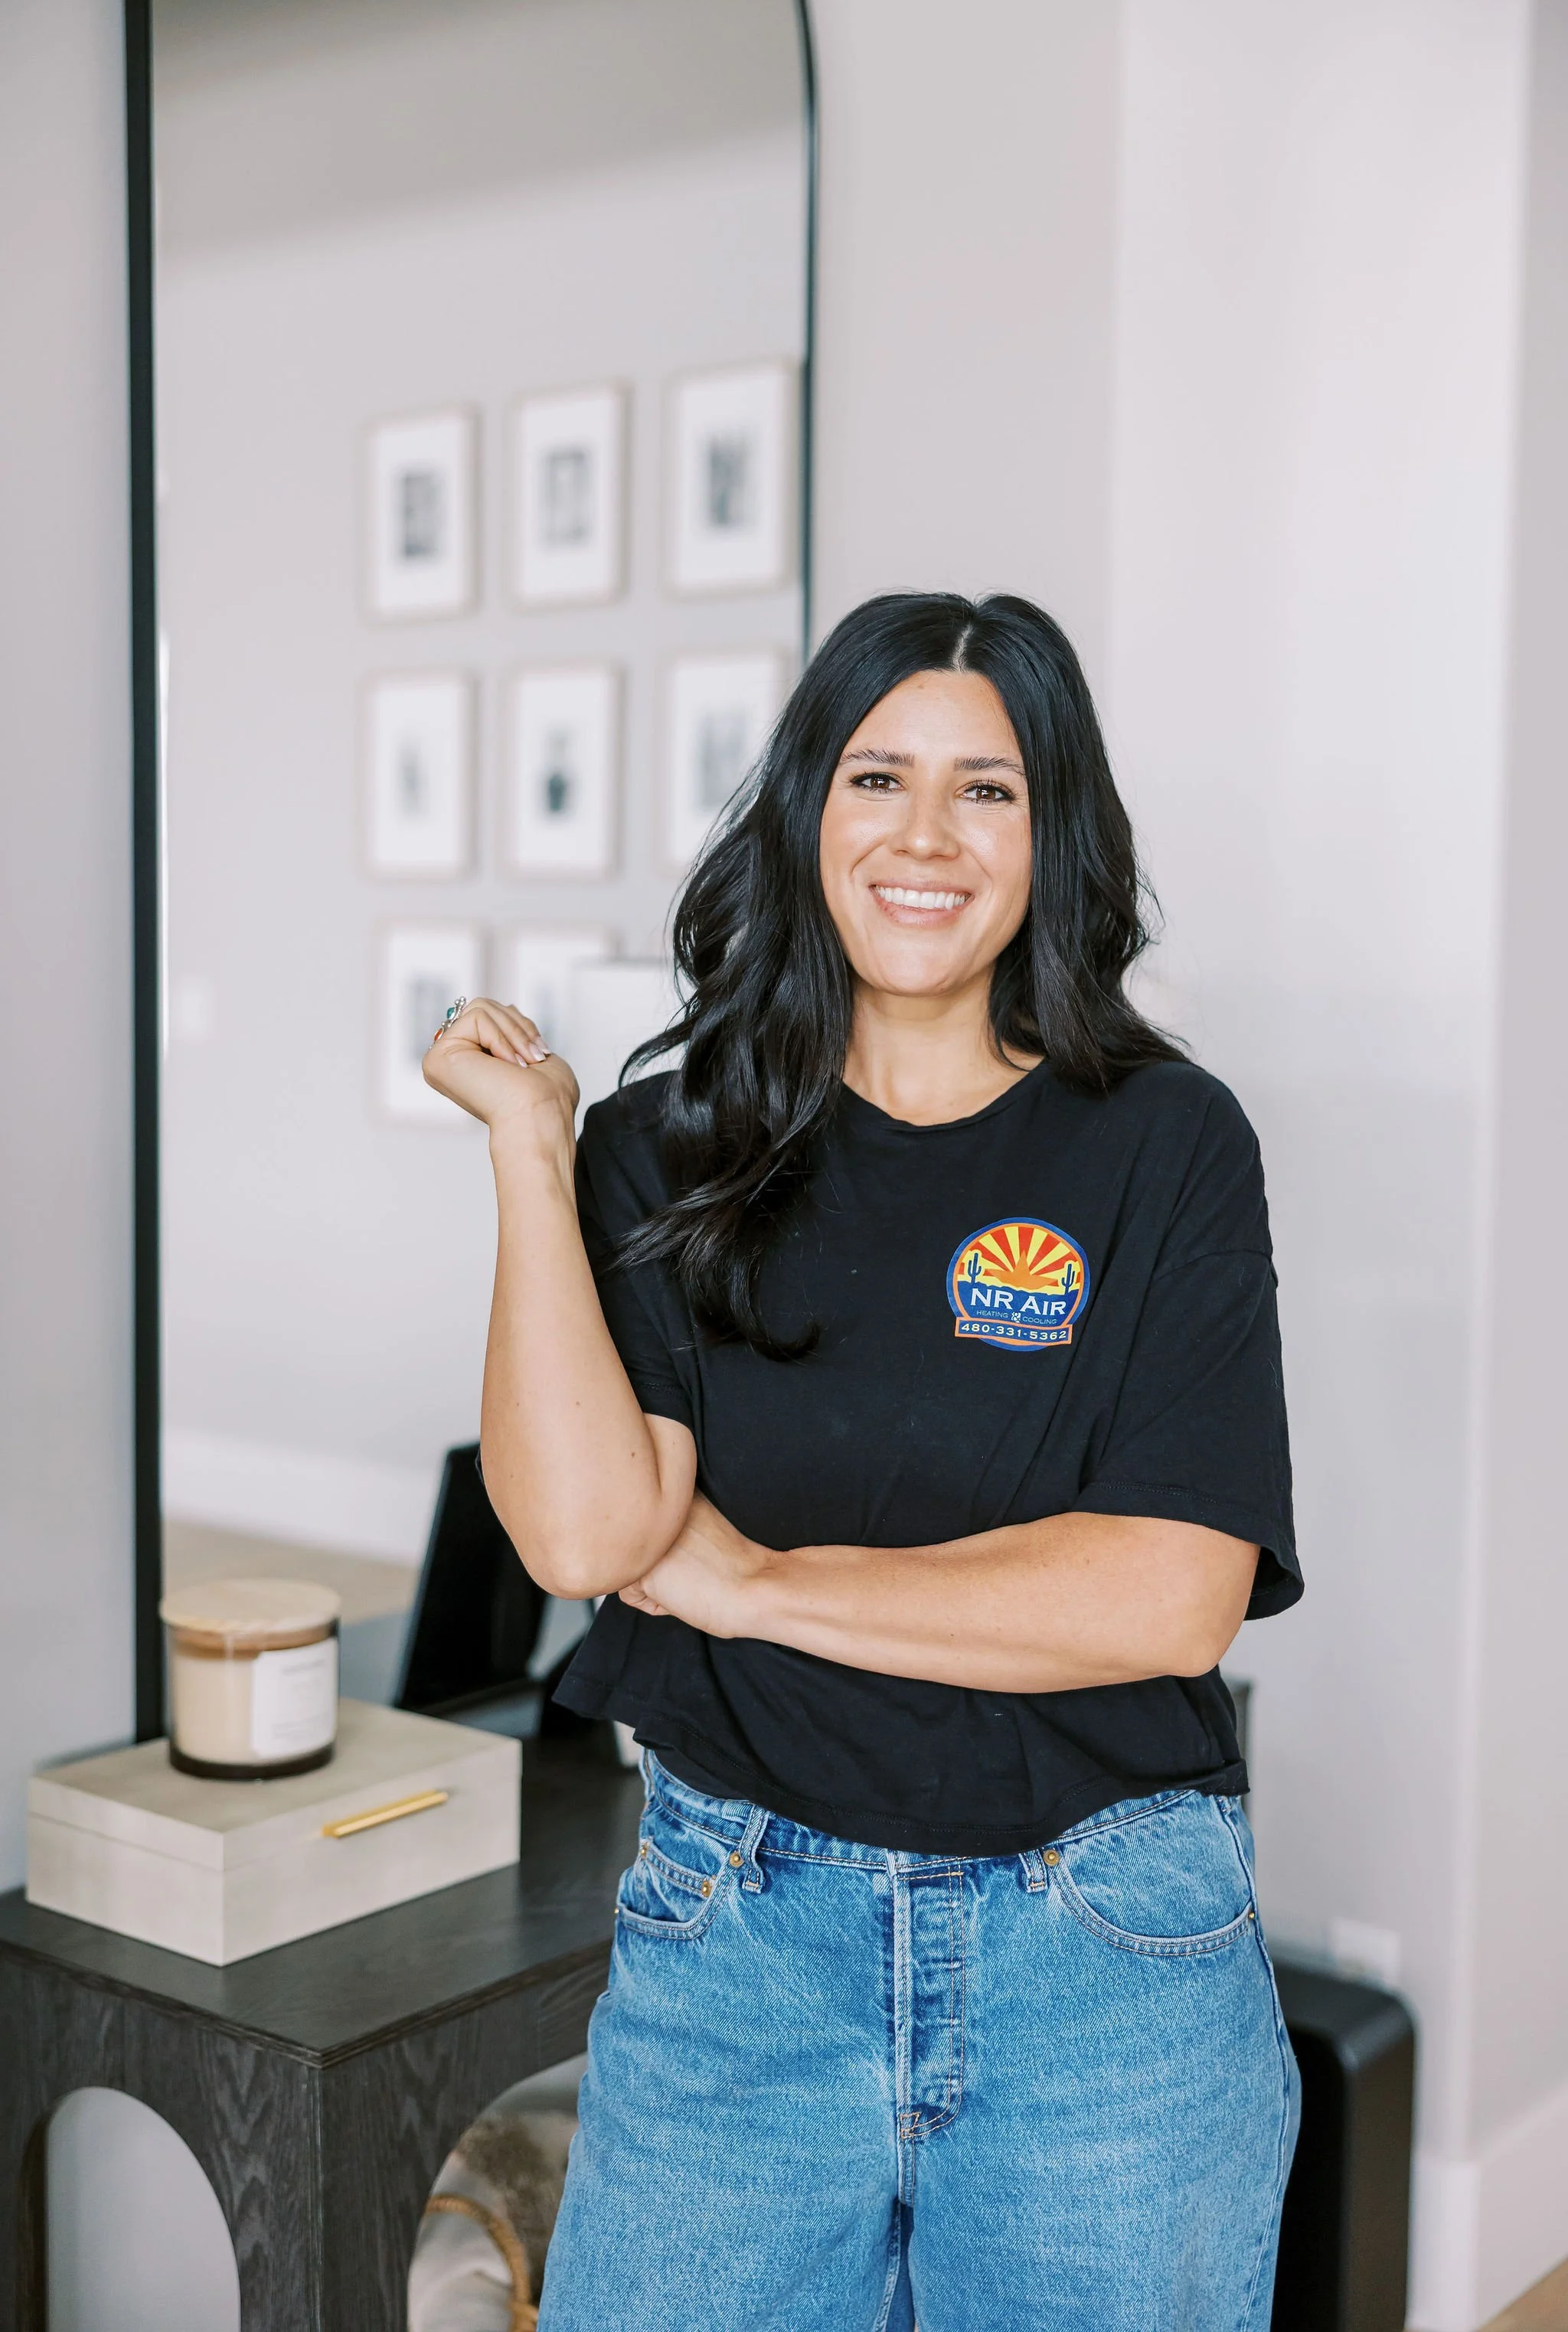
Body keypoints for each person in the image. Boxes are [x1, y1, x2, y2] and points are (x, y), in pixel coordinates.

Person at [424, 592, 1302, 2332]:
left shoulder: (1167, 1142)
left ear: (1052, 833)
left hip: (1105, 1951)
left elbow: (1170, 1594)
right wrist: (531, 1149)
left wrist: (752, 1583)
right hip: (737, 1940)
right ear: (807, 809)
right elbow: (588, 1534)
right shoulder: (663, 1145)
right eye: (877, 777)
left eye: (987, 789)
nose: (924, 836)